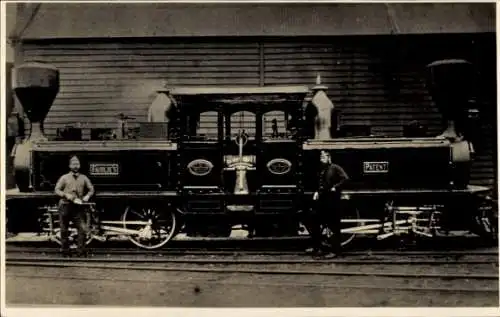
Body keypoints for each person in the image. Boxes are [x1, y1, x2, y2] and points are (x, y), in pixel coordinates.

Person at [305, 150, 349, 258]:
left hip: (332, 200)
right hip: (323, 199)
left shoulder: (335, 167)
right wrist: (317, 192)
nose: (321, 157)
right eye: (321, 156)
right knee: (316, 222)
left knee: (333, 225)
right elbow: (321, 183)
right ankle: (317, 248)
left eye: (323, 156)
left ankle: (335, 251)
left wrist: (336, 187)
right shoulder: (323, 169)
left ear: (329, 157)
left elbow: (345, 178)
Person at [54, 155, 95, 257]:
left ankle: (80, 251)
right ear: (69, 166)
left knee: (82, 229)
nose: (75, 166)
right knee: (64, 230)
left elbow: (91, 189)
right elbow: (57, 190)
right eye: (73, 164)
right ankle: (65, 251)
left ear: (80, 165)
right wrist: (66, 195)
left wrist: (87, 196)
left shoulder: (84, 177)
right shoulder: (64, 178)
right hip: (65, 206)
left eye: (77, 164)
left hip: (77, 207)